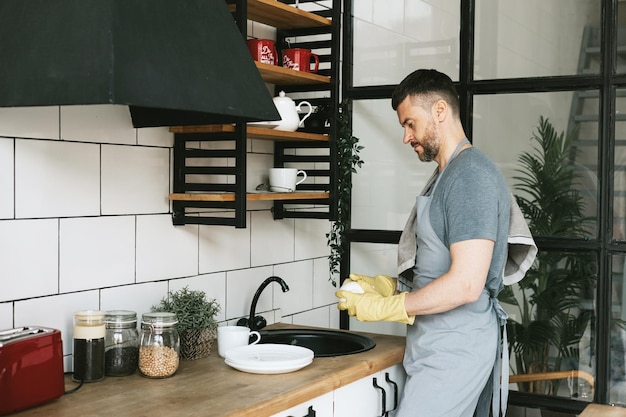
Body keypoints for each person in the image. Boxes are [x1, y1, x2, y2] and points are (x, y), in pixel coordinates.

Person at [336, 69, 523, 417]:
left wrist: (393, 306)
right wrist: (389, 288)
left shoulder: (469, 177)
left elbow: (467, 284)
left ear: (439, 111)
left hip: (455, 350)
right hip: (437, 346)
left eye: (410, 123)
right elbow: (440, 270)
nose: (406, 137)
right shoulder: (447, 175)